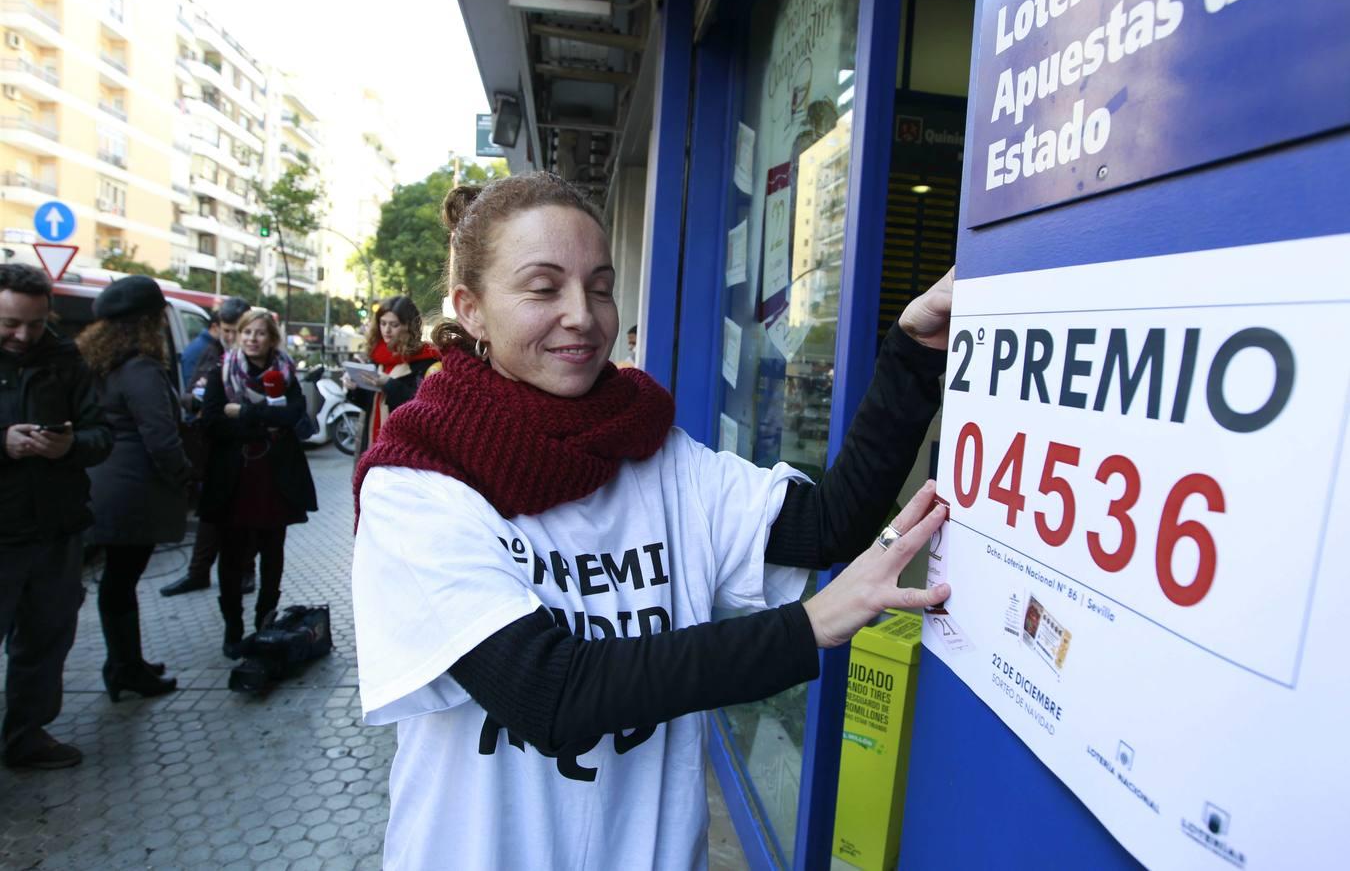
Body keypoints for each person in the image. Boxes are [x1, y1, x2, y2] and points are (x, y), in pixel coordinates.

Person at [350, 173, 954, 869]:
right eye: (543, 288)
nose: (582, 314)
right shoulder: (416, 482)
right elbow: (551, 692)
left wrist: (914, 349)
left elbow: (827, 524)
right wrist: (806, 628)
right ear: (472, 309)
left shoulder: (652, 451)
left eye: (600, 286)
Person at [0, 263, 113, 769]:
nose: (23, 335)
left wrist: (69, 445)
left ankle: (27, 734)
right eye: (10, 324)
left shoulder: (66, 358)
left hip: (56, 529)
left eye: (35, 322)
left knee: (47, 636)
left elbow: (101, 434)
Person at [79, 277, 190, 702]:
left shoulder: (100, 363)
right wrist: (184, 475)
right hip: (134, 490)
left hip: (105, 484)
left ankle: (126, 661)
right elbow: (160, 438)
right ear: (149, 321)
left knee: (118, 580)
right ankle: (125, 668)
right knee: (121, 581)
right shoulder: (141, 367)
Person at [199, 309, 316, 657]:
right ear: (237, 335)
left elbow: (294, 414)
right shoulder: (222, 372)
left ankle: (265, 625)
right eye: (246, 332)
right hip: (234, 479)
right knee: (232, 556)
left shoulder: (284, 371)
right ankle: (233, 630)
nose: (252, 338)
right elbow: (212, 422)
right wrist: (264, 418)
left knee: (272, 553)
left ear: (271, 338)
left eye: (260, 333)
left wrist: (247, 412)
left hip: (275, 478)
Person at [162, 295, 255, 598]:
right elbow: (188, 395)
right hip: (213, 448)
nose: (233, 337)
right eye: (227, 331)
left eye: (237, 331)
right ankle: (199, 571)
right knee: (211, 516)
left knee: (245, 516)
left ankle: (246, 571)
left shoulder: (259, 361)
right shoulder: (209, 354)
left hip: (247, 453)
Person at [342, 295, 440, 454]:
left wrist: (389, 384)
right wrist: (354, 388)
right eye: (383, 323)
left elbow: (424, 408)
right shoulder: (376, 357)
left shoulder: (427, 361)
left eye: (394, 325)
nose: (386, 330)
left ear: (409, 326)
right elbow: (370, 405)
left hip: (404, 449)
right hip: (372, 444)